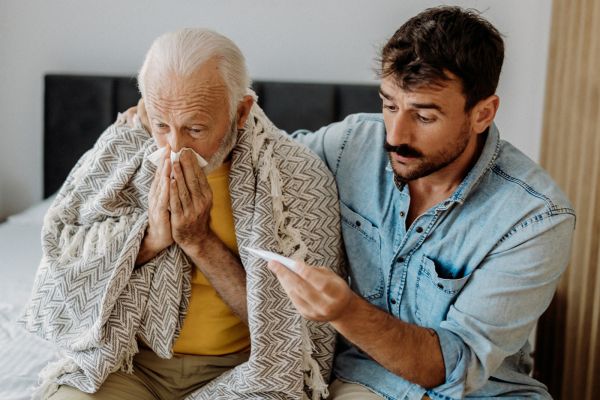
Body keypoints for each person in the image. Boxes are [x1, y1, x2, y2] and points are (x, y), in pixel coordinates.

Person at [265, 6, 576, 400]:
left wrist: (345, 311)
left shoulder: (536, 217)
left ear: (483, 113)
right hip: (367, 381)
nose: (395, 135)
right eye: (390, 104)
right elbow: (264, 160)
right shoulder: (349, 146)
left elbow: (455, 369)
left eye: (424, 116)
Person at [19, 28, 343, 400]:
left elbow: (295, 334)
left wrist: (199, 241)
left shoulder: (294, 177)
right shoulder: (119, 152)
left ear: (241, 112)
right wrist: (151, 239)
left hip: (245, 370)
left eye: (195, 128)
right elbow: (61, 273)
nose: (174, 148)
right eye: (161, 124)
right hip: (126, 363)